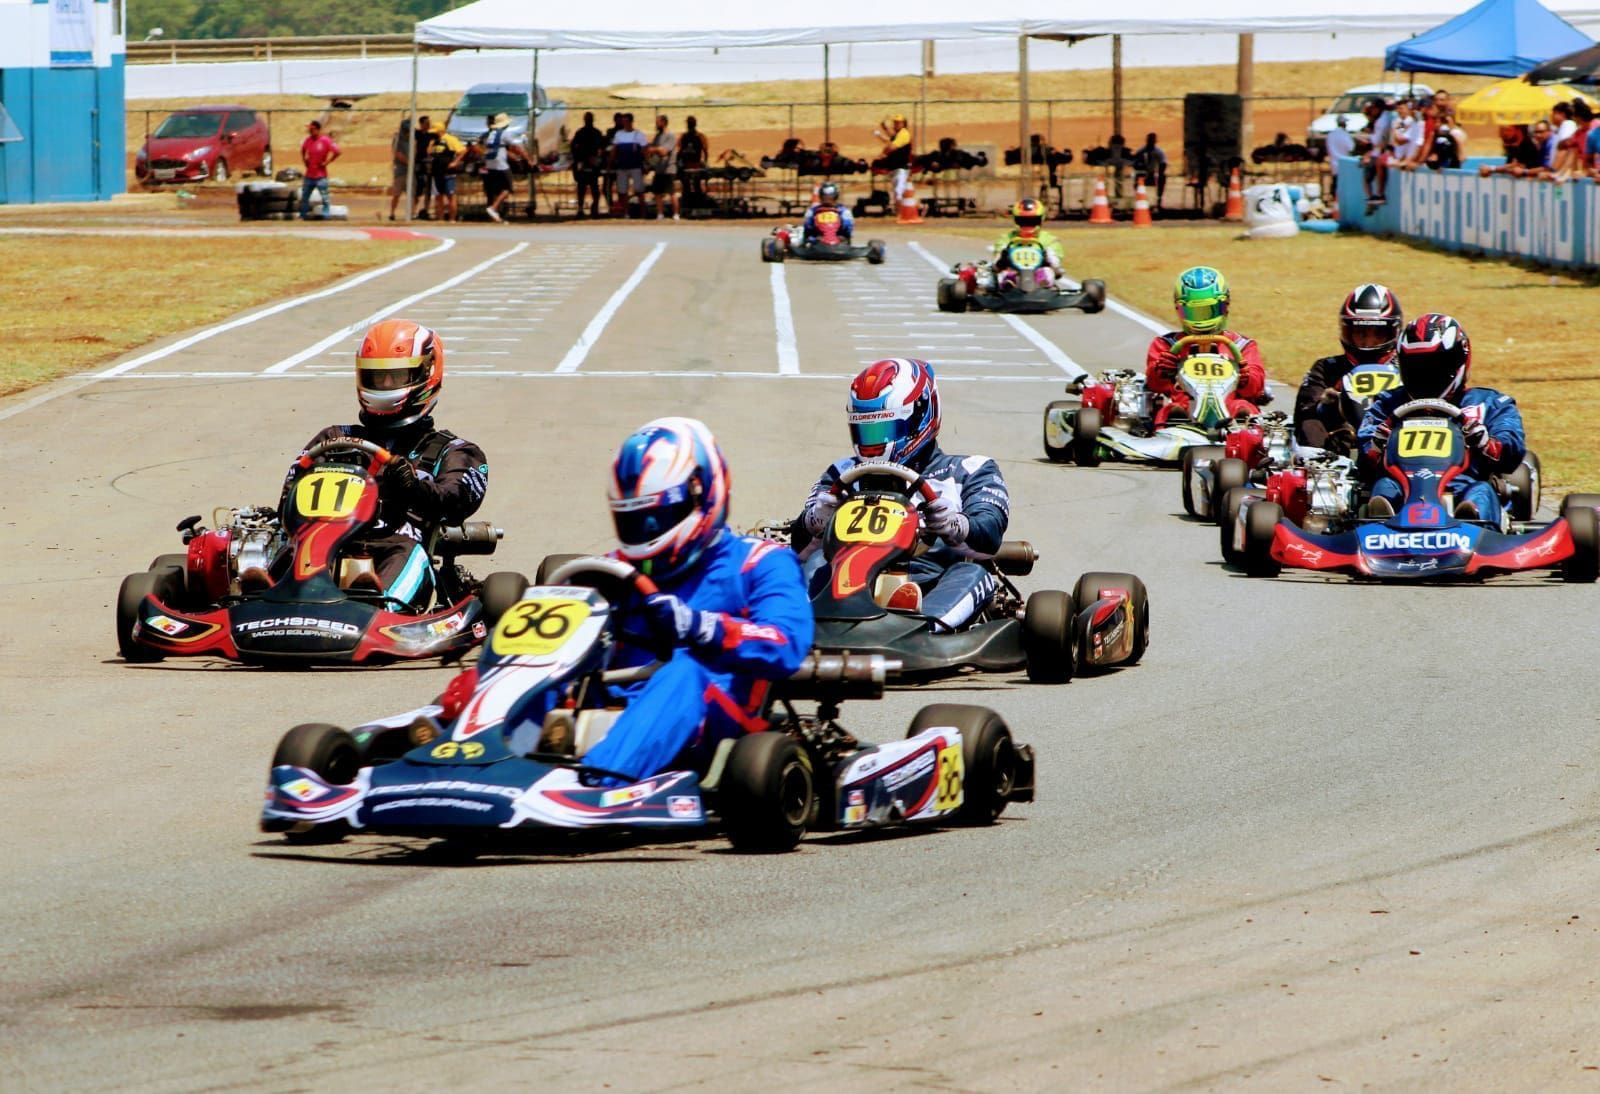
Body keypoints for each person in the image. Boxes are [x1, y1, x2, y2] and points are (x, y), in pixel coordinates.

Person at [575, 417, 812, 783]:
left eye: (656, 517)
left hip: (716, 718)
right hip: (618, 702)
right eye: (633, 520)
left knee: (684, 669)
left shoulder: (761, 563)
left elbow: (787, 643)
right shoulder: (612, 569)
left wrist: (701, 627)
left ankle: (597, 783)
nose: (646, 531)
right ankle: (485, 759)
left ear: (702, 494)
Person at [796, 358, 1011, 633]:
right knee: (813, 561)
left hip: (929, 582)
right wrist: (815, 520)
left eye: (883, 430)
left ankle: (922, 631)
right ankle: (799, 626)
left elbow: (991, 534)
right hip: (844, 582)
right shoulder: (842, 473)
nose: (873, 442)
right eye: (865, 431)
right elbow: (798, 546)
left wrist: (954, 525)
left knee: (973, 572)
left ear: (919, 418)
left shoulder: (970, 470)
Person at [285, 318, 488, 608]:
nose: (386, 385)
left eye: (397, 376)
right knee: (292, 545)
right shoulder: (334, 438)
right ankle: (262, 592)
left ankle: (380, 605)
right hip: (323, 542)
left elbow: (457, 502)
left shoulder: (453, 451)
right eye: (377, 378)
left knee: (407, 553)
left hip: (397, 543)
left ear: (427, 374)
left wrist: (413, 488)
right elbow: (289, 497)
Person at [1357, 314, 1525, 523]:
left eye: (1434, 367)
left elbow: (1512, 450)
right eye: (1417, 367)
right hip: (1404, 486)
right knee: (1384, 486)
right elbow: (1363, 460)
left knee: (1480, 492)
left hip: (1462, 485)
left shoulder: (1489, 403)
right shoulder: (1388, 403)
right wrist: (1375, 447)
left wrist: (1485, 443)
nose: (1425, 374)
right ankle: (1380, 523)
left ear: (1458, 361)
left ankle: (1471, 522)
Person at [1145, 266, 1267, 425]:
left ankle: (1242, 432)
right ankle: (1172, 430)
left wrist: (1246, 378)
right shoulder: (1167, 345)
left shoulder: (1242, 345)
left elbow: (1256, 389)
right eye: (1195, 312)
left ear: (1225, 306)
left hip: (1229, 412)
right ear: (1180, 309)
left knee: (1243, 408)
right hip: (1186, 409)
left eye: (1209, 310)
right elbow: (1154, 385)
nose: (1202, 320)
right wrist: (1161, 371)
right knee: (1171, 410)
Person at [1293, 283, 1403, 453]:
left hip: (1395, 444)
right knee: (1310, 421)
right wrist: (1331, 405)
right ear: (1348, 331)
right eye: (1361, 333)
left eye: (1378, 334)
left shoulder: (1406, 369)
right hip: (1339, 451)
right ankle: (1317, 463)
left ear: (1393, 332)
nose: (1368, 342)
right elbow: (1305, 412)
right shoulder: (1327, 368)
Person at [989, 197, 1064, 291]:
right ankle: (1009, 285)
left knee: (1046, 272)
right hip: (1013, 276)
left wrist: (1049, 260)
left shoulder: (1050, 240)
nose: (1027, 224)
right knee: (1003, 275)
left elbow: (1057, 268)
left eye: (1032, 221)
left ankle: (1043, 286)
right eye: (1023, 221)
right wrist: (1002, 259)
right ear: (1016, 220)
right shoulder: (1005, 239)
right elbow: (995, 267)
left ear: (1041, 219)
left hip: (1038, 279)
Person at [479, 111, 525, 223]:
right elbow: (515, 147)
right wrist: (524, 158)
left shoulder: (489, 135)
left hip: (490, 165)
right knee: (507, 189)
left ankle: (496, 215)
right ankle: (493, 208)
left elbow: (489, 148)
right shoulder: (504, 134)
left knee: (495, 191)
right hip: (501, 165)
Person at [298, 119, 340, 220]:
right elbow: (303, 149)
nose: (310, 131)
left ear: (318, 130)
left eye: (312, 129)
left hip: (320, 176)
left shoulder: (325, 140)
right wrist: (304, 160)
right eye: (310, 129)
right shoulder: (308, 140)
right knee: (304, 197)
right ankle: (303, 215)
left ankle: (326, 215)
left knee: (325, 198)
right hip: (309, 175)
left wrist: (327, 162)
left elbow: (337, 151)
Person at [610, 112, 648, 218]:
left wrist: (646, 163)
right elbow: (614, 149)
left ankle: (643, 213)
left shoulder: (638, 134)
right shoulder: (618, 134)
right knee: (623, 191)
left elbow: (645, 150)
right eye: (623, 121)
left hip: (635, 166)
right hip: (622, 166)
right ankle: (626, 212)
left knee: (639, 190)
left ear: (631, 122)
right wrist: (611, 161)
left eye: (626, 121)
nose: (624, 123)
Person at [569, 111, 606, 217]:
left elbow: (602, 148)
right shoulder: (580, 133)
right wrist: (579, 160)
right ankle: (580, 208)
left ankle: (595, 208)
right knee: (582, 187)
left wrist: (596, 159)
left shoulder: (596, 133)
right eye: (587, 118)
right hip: (582, 162)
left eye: (589, 118)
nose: (588, 120)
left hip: (593, 164)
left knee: (594, 187)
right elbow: (574, 147)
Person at [429, 128, 468, 223]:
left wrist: (455, 162)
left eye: (435, 132)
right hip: (436, 172)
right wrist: (431, 143)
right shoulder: (434, 141)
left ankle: (452, 218)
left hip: (448, 172)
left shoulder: (450, 139)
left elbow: (463, 150)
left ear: (440, 131)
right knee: (438, 196)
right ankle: (440, 218)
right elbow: (429, 153)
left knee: (451, 195)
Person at [1479, 125, 1544, 177]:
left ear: (1518, 131)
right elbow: (1510, 166)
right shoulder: (1513, 146)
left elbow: (1517, 167)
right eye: (1503, 130)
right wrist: (1491, 169)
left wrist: (1491, 169)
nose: (1505, 133)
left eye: (1508, 130)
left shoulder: (1528, 146)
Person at [647, 114, 679, 221]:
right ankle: (660, 214)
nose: (656, 125)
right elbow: (652, 150)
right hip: (659, 169)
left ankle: (676, 214)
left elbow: (664, 152)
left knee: (672, 192)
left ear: (664, 122)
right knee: (657, 193)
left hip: (669, 169)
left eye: (658, 122)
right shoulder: (658, 136)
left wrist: (654, 149)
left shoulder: (670, 136)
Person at [878, 113, 913, 206]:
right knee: (899, 192)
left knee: (898, 192)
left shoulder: (904, 134)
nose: (896, 124)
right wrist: (885, 128)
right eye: (895, 122)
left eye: (899, 123)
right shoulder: (898, 134)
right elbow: (892, 137)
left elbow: (892, 146)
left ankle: (899, 213)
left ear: (904, 124)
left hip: (901, 168)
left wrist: (883, 154)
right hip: (895, 167)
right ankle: (920, 207)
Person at [677, 115, 709, 206]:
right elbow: (705, 151)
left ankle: (687, 200)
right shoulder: (700, 136)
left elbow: (679, 151)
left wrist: (678, 162)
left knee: (686, 184)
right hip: (696, 164)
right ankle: (697, 201)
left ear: (687, 125)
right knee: (696, 183)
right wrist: (705, 162)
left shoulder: (683, 136)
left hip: (687, 165)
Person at [1130, 132, 1168, 208]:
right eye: (1149, 140)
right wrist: (1140, 167)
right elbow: (1134, 163)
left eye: (1152, 140)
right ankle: (1140, 198)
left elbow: (1163, 163)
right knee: (1137, 176)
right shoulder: (1141, 151)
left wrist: (1158, 172)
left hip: (1154, 173)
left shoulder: (1159, 152)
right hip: (1143, 173)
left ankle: (1159, 198)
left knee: (1162, 177)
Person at [410, 116, 437, 219]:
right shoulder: (417, 134)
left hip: (428, 164)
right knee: (418, 189)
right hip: (419, 163)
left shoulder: (432, 135)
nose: (428, 125)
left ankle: (426, 209)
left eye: (429, 123)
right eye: (426, 123)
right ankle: (413, 211)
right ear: (421, 124)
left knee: (428, 189)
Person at [1323, 115, 1356, 198]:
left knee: (1335, 181)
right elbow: (1351, 147)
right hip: (1345, 163)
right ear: (1343, 123)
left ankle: (1334, 198)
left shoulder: (1330, 135)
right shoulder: (1345, 134)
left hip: (1334, 163)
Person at [387, 118, 412, 221]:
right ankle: (392, 213)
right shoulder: (398, 139)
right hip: (401, 170)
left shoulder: (411, 138)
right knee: (397, 193)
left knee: (412, 193)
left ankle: (411, 213)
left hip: (410, 171)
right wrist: (409, 162)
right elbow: (397, 153)